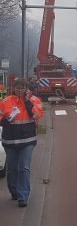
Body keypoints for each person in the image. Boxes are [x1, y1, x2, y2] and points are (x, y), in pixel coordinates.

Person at [0, 78, 44, 207]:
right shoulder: (5, 101)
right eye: (18, 88)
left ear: (27, 89)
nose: (20, 90)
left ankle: (22, 196)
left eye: (23, 88)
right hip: (10, 140)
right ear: (14, 89)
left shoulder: (34, 100)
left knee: (24, 167)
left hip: (27, 140)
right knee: (12, 169)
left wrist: (27, 102)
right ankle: (14, 191)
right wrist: (5, 120)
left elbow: (36, 115)